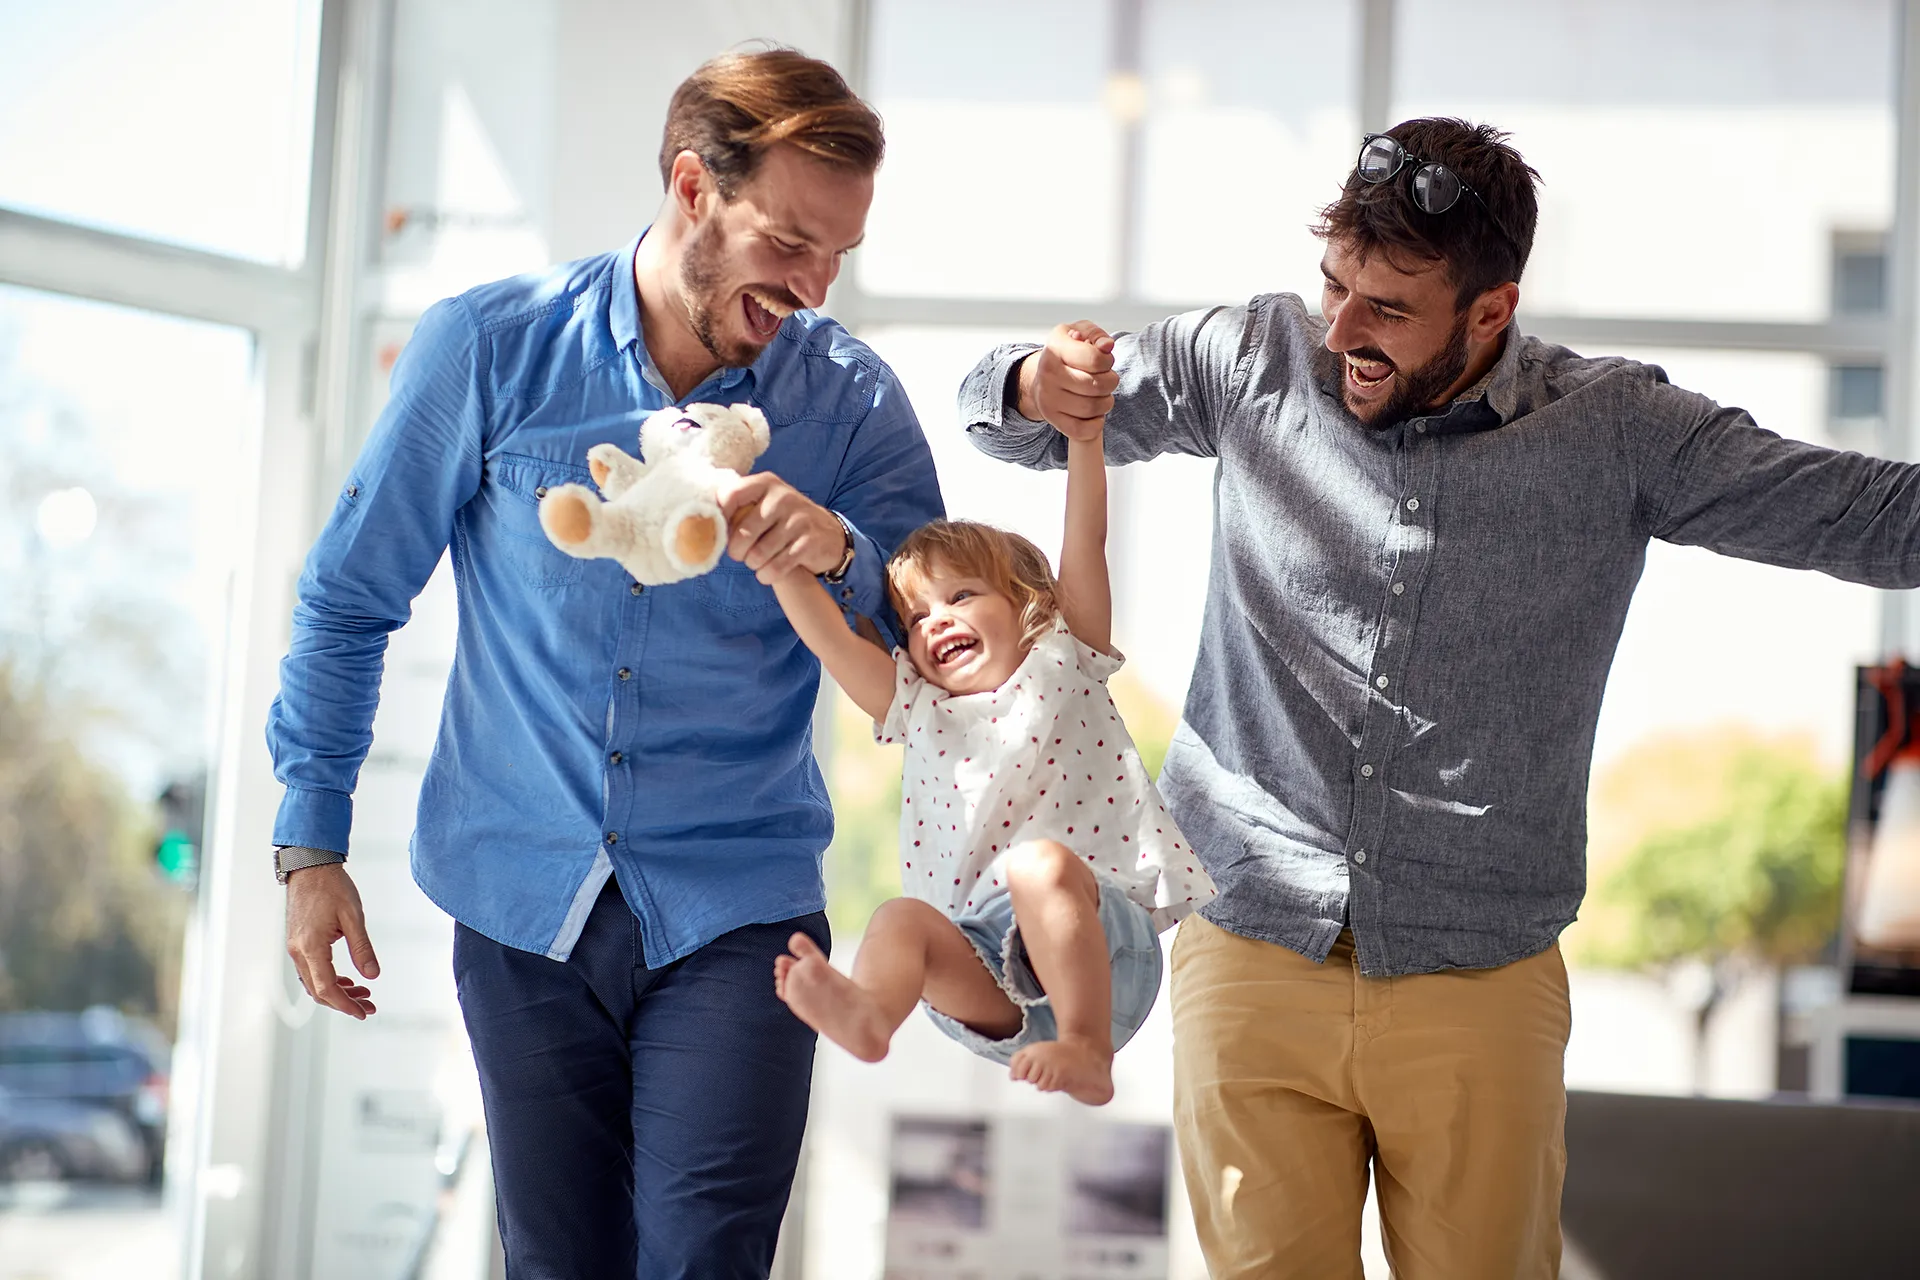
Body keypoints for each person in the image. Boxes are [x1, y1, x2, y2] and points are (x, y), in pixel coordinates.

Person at [957, 117, 1920, 1279]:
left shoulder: (1616, 431)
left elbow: (1865, 513)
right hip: (1251, 943)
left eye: (1388, 309)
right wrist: (1032, 380)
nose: (1342, 330)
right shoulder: (1255, 355)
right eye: (1335, 287)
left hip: (1480, 975)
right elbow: (1001, 418)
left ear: (1491, 312)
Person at [267, 48, 942, 1278]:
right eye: (790, 242)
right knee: (556, 1260)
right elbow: (348, 595)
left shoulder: (852, 403)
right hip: (521, 894)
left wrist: (843, 550)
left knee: (703, 1257)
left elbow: (939, 652)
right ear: (693, 188)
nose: (813, 284)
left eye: (837, 253)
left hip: (740, 908)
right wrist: (311, 844)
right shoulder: (487, 349)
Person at [765, 395, 1215, 1106]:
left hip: (1100, 947)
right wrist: (778, 564)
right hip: (984, 968)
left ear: (1026, 602)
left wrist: (1087, 443)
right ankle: (872, 1014)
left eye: (961, 597)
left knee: (1037, 867)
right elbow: (830, 638)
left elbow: (1086, 542)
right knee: (900, 920)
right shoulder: (917, 704)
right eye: (916, 617)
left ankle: (1088, 1051)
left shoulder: (1067, 654)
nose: (936, 621)